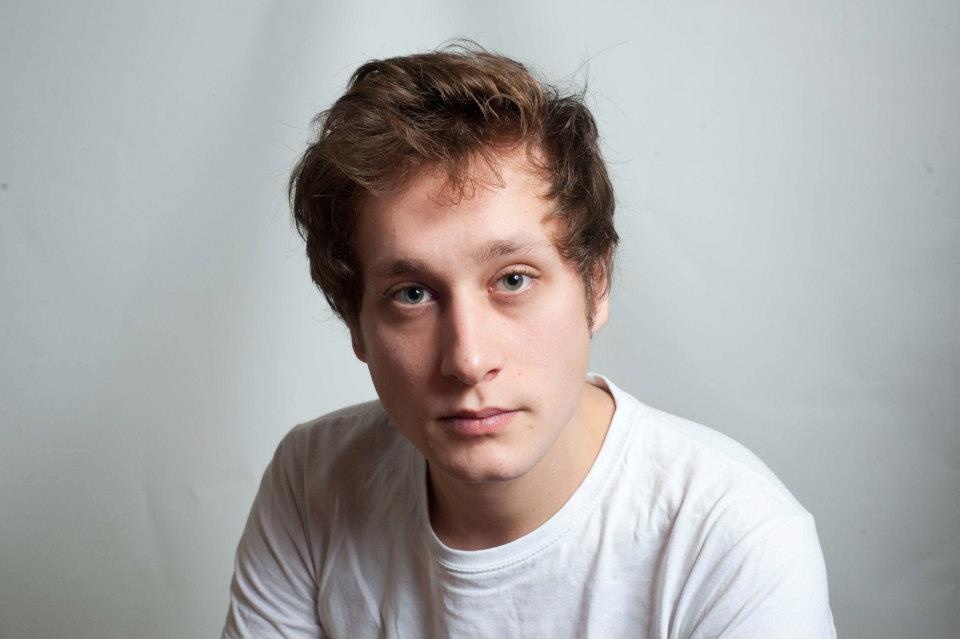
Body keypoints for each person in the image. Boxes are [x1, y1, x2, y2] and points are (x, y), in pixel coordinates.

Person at [222, 43, 836, 638]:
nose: (468, 360)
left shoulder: (732, 538)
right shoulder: (312, 480)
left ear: (595, 285)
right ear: (355, 324)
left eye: (513, 280)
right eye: (412, 294)